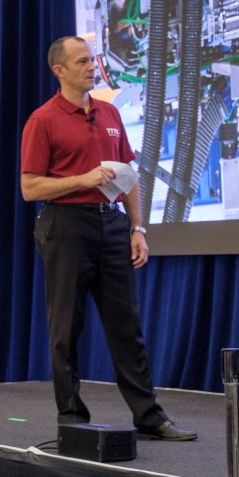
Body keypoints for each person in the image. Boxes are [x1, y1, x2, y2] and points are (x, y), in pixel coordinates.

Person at [20, 35, 196, 441]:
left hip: (111, 224)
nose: (91, 66)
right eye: (81, 62)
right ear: (59, 70)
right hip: (65, 227)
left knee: (126, 324)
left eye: (92, 60)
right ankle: (72, 417)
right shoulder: (43, 120)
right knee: (66, 325)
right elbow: (30, 188)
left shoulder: (109, 112)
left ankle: (149, 416)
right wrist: (81, 179)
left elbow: (128, 176)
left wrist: (137, 228)